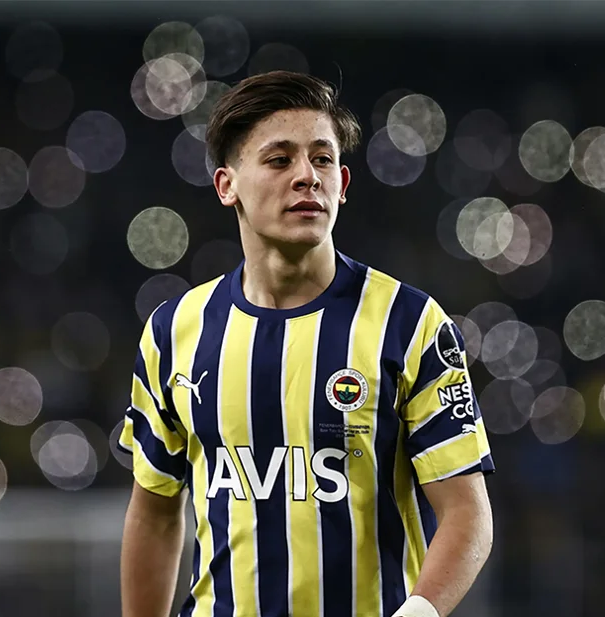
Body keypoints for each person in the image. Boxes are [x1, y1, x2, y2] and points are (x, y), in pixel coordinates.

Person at [119, 70, 495, 617]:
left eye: (322, 159)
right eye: (279, 160)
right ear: (227, 185)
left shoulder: (410, 324)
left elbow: (467, 512)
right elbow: (154, 511)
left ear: (343, 183)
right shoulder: (174, 331)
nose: (306, 177)